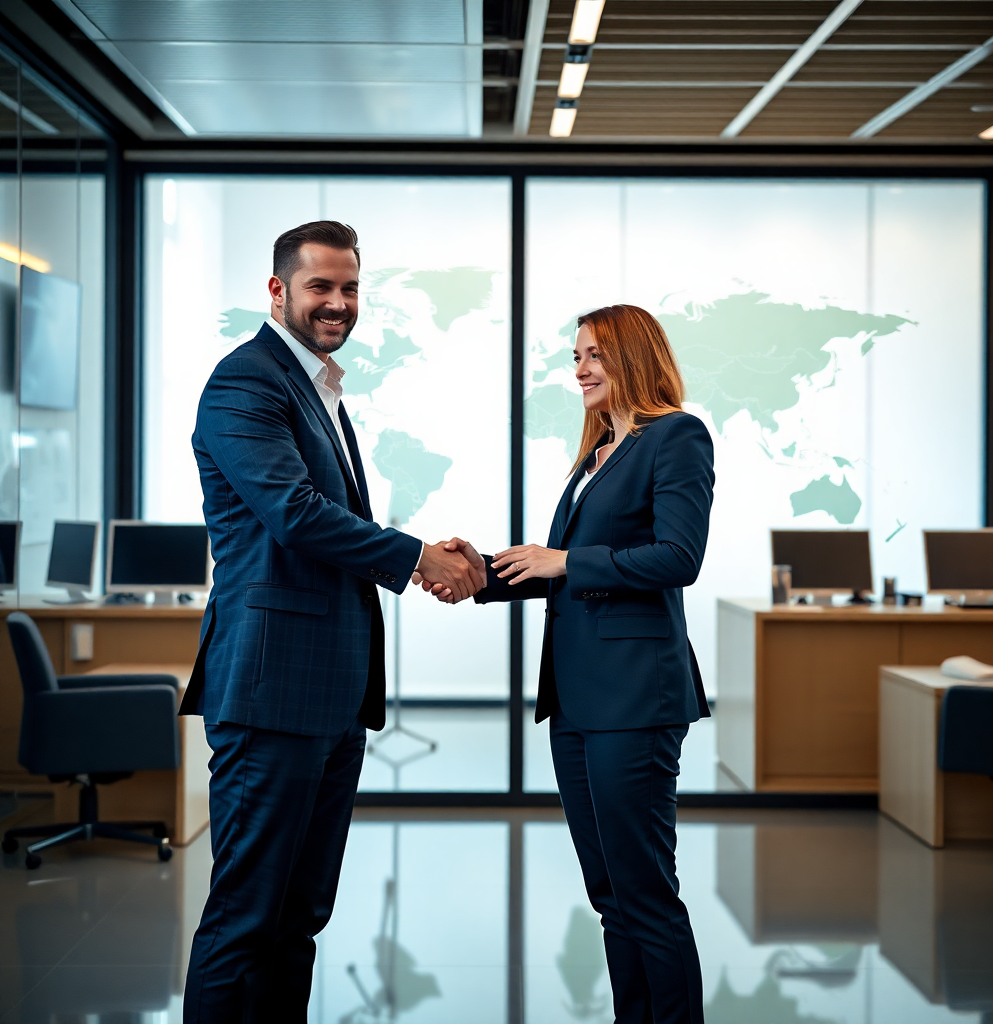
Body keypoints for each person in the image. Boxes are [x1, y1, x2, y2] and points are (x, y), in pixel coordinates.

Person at [179, 220, 482, 1023]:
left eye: (349, 288)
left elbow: (326, 519)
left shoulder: (315, 387)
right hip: (272, 690)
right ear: (277, 290)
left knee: (299, 920)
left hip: (326, 696)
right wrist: (421, 558)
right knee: (246, 921)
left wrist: (430, 555)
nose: (338, 303)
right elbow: (297, 514)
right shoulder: (247, 381)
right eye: (320, 286)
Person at [426, 304, 714, 1024]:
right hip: (578, 702)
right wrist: (477, 574)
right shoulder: (594, 457)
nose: (579, 369)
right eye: (576, 356)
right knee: (611, 894)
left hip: (634, 702)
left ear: (634, 357)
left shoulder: (676, 437)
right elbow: (559, 570)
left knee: (645, 892)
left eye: (595, 354)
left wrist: (565, 558)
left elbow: (678, 559)